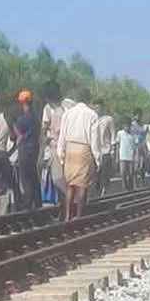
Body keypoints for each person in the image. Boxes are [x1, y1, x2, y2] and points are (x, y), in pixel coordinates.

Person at [57, 88, 102, 221]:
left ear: (76, 99)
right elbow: (95, 141)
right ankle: (78, 216)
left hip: (70, 149)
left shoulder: (68, 113)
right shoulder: (92, 115)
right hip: (84, 151)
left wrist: (61, 154)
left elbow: (62, 136)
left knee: (70, 185)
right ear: (88, 99)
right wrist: (97, 159)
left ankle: (67, 215)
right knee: (82, 185)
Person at [13, 90, 43, 211]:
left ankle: (28, 207)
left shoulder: (22, 119)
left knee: (26, 180)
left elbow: (18, 136)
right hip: (34, 150)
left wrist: (14, 127)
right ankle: (38, 205)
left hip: (24, 150)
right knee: (34, 177)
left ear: (23, 103)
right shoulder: (36, 118)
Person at [40, 82, 68, 205]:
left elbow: (44, 130)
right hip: (63, 147)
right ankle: (66, 205)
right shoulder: (66, 106)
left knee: (58, 179)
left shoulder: (48, 108)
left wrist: (42, 149)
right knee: (61, 179)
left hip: (57, 148)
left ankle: (69, 202)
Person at [94, 100, 117, 197]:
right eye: (95, 107)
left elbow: (113, 134)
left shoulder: (108, 119)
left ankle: (104, 193)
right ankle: (97, 193)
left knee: (104, 173)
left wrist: (113, 150)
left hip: (106, 150)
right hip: (95, 151)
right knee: (96, 175)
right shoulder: (93, 119)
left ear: (102, 107)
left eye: (99, 107)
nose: (97, 109)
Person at [116, 119, 137, 192]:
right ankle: (124, 187)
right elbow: (118, 145)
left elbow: (134, 147)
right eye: (125, 126)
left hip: (130, 156)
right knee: (123, 172)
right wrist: (117, 156)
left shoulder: (132, 135)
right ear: (123, 126)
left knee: (131, 173)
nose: (127, 127)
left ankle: (130, 187)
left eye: (128, 126)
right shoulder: (120, 133)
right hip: (122, 156)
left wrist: (135, 157)